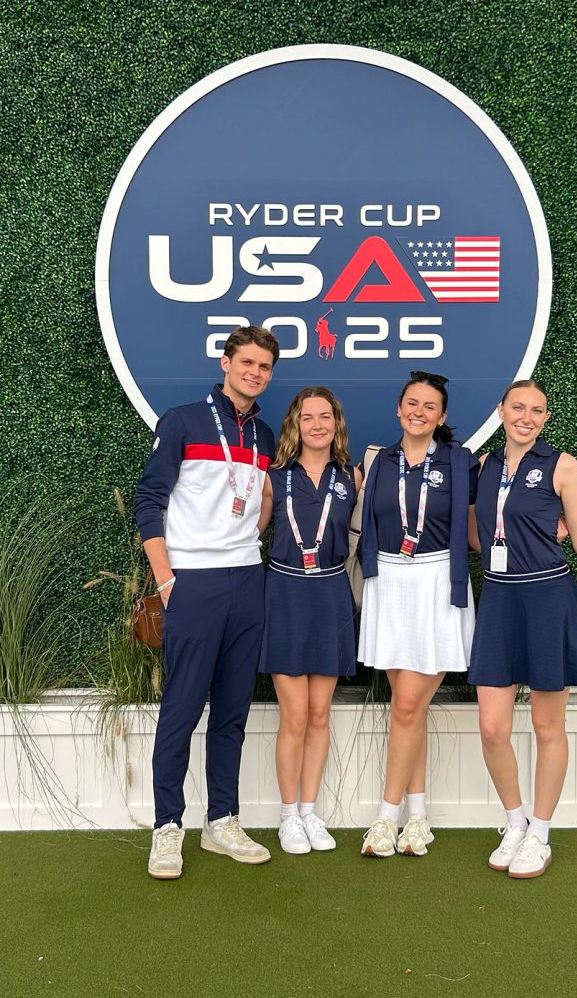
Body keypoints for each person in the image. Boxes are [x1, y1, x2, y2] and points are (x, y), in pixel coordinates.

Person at [134, 324, 279, 879]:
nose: (254, 373)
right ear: (226, 362)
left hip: (246, 580)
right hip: (192, 581)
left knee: (233, 710)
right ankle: (167, 827)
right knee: (182, 706)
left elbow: (256, 501)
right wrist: (167, 581)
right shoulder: (183, 421)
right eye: (247, 363)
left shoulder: (263, 434)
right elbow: (149, 500)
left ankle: (222, 821)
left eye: (264, 367)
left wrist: (250, 533)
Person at [468, 379, 577, 879]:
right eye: (518, 408)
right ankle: (515, 823)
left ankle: (541, 834)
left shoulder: (562, 465)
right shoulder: (483, 467)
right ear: (501, 410)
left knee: (548, 727)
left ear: (546, 418)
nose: (526, 417)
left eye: (537, 410)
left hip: (549, 598)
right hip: (499, 599)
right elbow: (478, 534)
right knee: (492, 728)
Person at [357, 371, 478, 857]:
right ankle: (419, 819)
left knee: (406, 706)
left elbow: (493, 510)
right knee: (412, 709)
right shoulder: (379, 461)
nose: (419, 412)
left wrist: (543, 523)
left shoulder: (461, 461)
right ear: (399, 408)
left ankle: (386, 818)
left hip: (436, 583)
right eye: (412, 403)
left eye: (430, 406)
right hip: (389, 583)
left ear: (442, 417)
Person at [258, 387, 361, 854]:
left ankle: (309, 812)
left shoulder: (352, 477)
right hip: (285, 593)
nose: (317, 425)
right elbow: (249, 532)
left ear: (336, 424)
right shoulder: (273, 477)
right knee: (295, 715)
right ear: (294, 426)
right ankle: (287, 816)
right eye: (307, 417)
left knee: (320, 714)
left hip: (331, 594)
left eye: (325, 417)